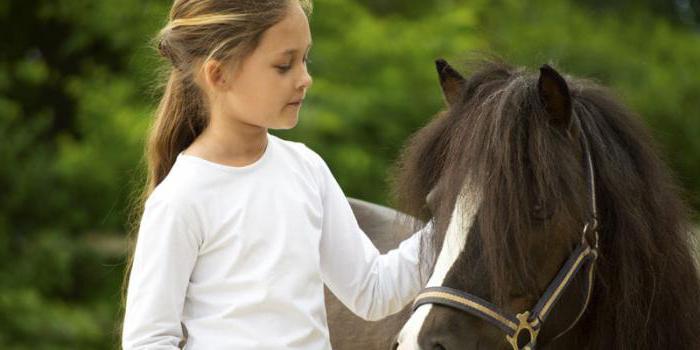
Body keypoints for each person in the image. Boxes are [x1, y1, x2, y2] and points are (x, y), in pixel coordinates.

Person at [120, 0, 430, 349]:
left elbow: (373, 291)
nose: (305, 78)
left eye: (305, 59)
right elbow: (149, 341)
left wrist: (458, 224)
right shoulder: (181, 197)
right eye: (284, 65)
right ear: (218, 74)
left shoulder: (306, 169)